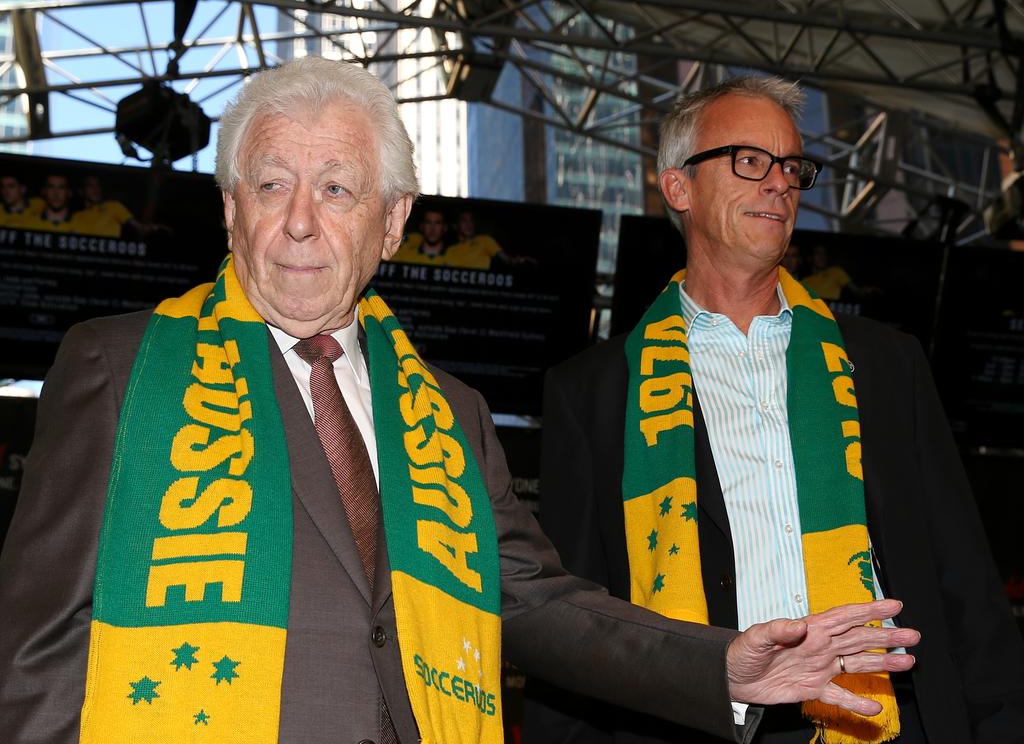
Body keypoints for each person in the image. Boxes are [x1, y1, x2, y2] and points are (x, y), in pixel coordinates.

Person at [0, 59, 919, 744]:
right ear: (232, 209)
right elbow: (36, 648)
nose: (302, 220)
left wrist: (721, 663)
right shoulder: (118, 368)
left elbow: (539, 602)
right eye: (271, 185)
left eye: (339, 189)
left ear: (392, 223)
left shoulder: (449, 414)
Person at [525, 77, 1024, 744]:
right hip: (697, 725)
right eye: (750, 160)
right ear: (679, 187)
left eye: (791, 166)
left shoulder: (883, 365)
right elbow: (575, 626)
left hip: (885, 719)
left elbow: (967, 585)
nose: (779, 183)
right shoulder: (592, 391)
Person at [69, 175, 135, 238]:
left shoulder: (113, 206)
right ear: (81, 191)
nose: (95, 188)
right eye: (90, 185)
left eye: (98, 185)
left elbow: (137, 228)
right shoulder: (76, 216)